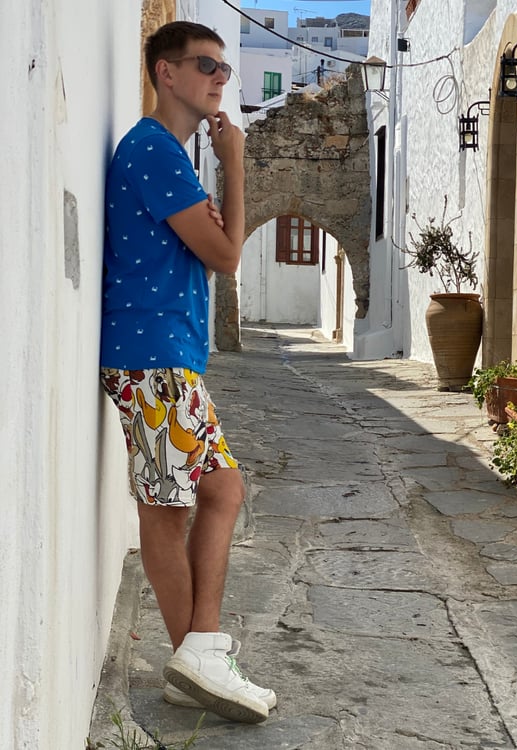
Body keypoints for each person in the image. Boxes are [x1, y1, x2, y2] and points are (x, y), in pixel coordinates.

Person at [99, 21, 274, 724]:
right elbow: (228, 256)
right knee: (177, 507)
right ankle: (197, 655)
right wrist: (234, 163)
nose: (220, 79)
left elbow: (215, 247)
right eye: (206, 66)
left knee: (213, 493)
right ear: (165, 72)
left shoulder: (164, 154)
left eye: (225, 71)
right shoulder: (155, 150)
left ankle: (195, 657)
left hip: (163, 355)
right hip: (154, 354)